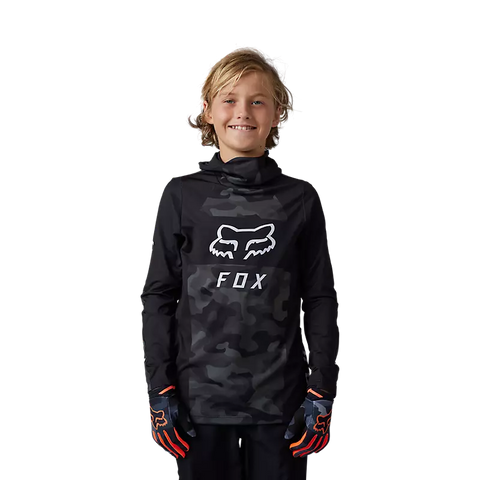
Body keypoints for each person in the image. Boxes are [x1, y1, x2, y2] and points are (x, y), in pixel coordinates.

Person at [139, 42, 341, 480]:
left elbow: (320, 298)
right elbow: (158, 295)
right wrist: (158, 389)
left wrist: (323, 389)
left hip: (283, 408)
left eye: (257, 101)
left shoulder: (301, 197)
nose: (243, 112)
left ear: (277, 112)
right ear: (208, 111)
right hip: (196, 408)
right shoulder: (180, 194)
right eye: (229, 100)